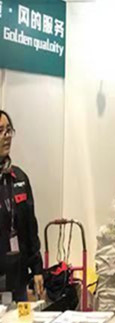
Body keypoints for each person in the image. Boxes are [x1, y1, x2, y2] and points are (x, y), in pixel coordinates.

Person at [0, 110, 44, 302]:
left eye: (9, 130)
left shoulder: (19, 178)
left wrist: (37, 269)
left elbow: (30, 228)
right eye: (0, 131)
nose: (6, 136)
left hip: (17, 277)